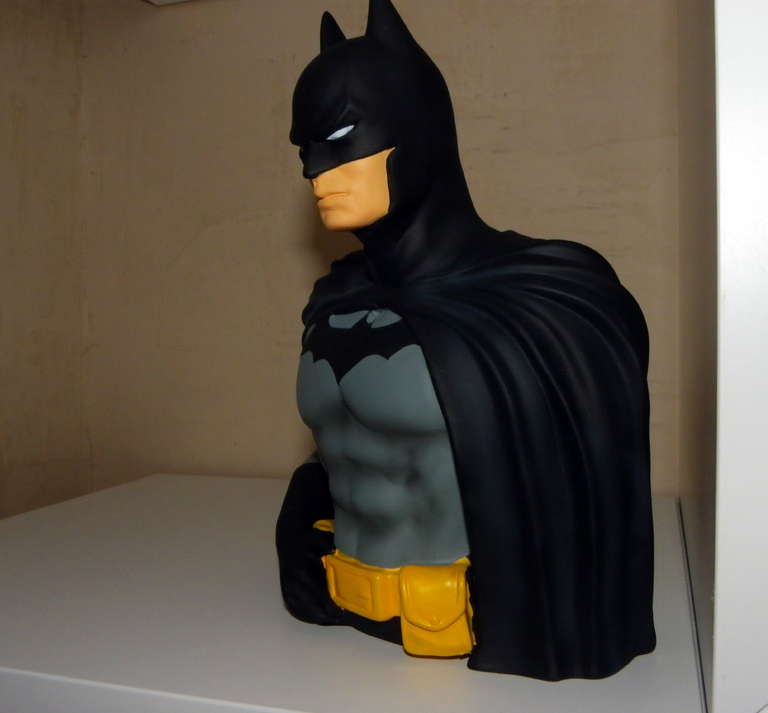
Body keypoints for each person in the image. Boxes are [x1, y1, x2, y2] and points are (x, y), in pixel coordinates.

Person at [276, 0, 656, 680]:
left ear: (417, 128)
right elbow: (336, 455)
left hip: (458, 646)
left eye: (341, 137)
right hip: (329, 639)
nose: (315, 171)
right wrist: (296, 521)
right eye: (307, 149)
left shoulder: (543, 298)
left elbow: (593, 470)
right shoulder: (334, 302)